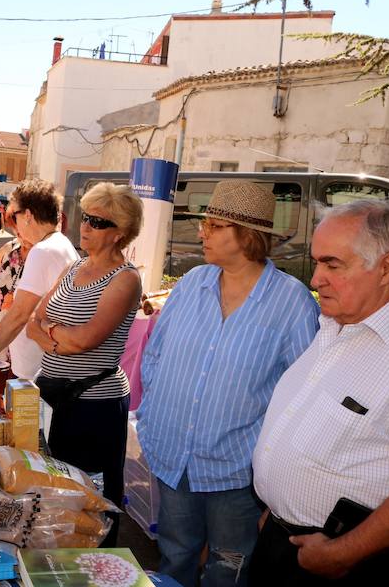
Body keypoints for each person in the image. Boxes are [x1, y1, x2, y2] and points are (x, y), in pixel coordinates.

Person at [137, 180, 319, 587]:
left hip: (236, 471)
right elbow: (155, 356)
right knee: (174, 556)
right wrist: (152, 420)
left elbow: (302, 395)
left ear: (248, 234)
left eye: (215, 226)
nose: (202, 232)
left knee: (228, 569)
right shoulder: (191, 284)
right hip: (173, 458)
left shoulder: (292, 303)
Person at [251, 200, 389, 586]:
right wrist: (277, 510)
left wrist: (342, 554)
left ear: (386, 268)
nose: (315, 279)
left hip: (346, 561)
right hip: (283, 540)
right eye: (316, 263)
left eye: (332, 265)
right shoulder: (339, 321)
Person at [24, 182, 144, 543]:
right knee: (54, 492)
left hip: (94, 404)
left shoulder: (125, 279)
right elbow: (32, 321)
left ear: (120, 233)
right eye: (85, 217)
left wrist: (50, 333)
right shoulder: (74, 267)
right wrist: (58, 338)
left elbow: (86, 340)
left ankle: (95, 566)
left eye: (98, 222)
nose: (86, 226)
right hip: (53, 396)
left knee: (91, 500)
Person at [0, 179, 78, 380]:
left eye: (15, 216)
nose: (15, 225)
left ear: (27, 215)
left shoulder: (43, 251)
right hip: (46, 369)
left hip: (37, 374)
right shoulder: (61, 244)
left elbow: (18, 316)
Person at [0, 199, 31, 348]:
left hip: (22, 335)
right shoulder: (10, 248)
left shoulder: (41, 254)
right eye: (15, 227)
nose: (18, 232)